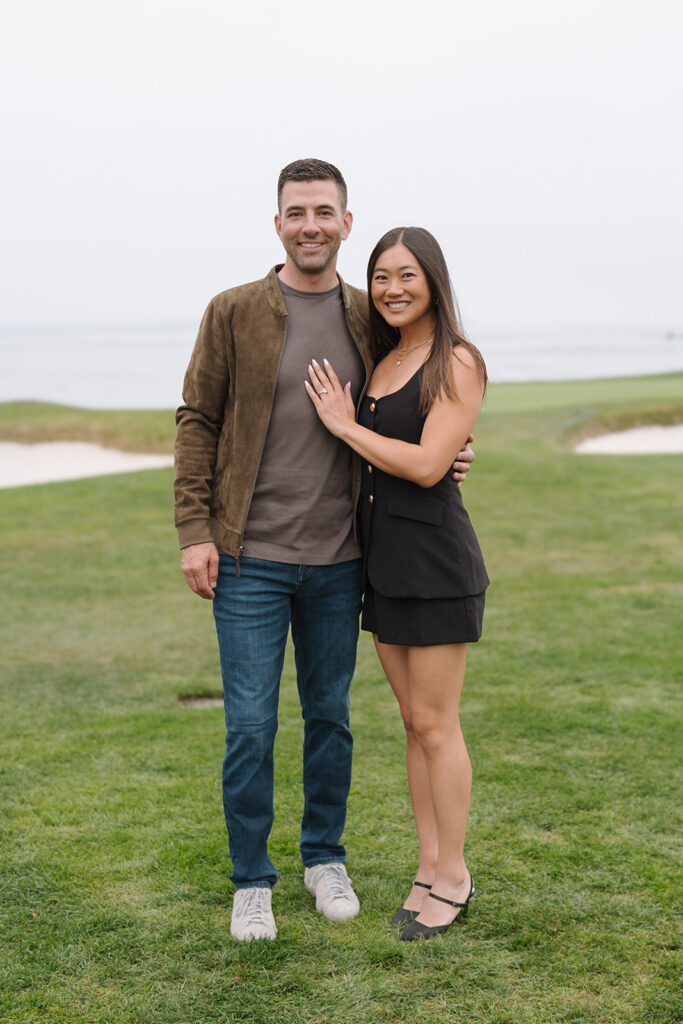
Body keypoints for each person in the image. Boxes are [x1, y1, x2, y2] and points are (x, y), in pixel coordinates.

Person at [174, 161, 475, 942]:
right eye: (295, 211)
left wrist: (451, 454)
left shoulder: (366, 316)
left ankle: (323, 858)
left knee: (330, 719)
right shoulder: (232, 310)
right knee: (248, 725)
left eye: (325, 211)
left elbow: (414, 405)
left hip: (344, 561)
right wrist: (195, 530)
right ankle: (251, 881)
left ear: (345, 221)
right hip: (249, 558)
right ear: (277, 222)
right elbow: (196, 421)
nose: (310, 223)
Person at [305, 226, 488, 941]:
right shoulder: (382, 359)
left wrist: (343, 426)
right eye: (380, 276)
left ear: (433, 280)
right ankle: (426, 865)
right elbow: (419, 451)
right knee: (412, 725)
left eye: (406, 275)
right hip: (381, 563)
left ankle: (455, 875)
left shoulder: (457, 359)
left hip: (435, 565)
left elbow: (422, 465)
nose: (391, 289)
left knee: (438, 725)